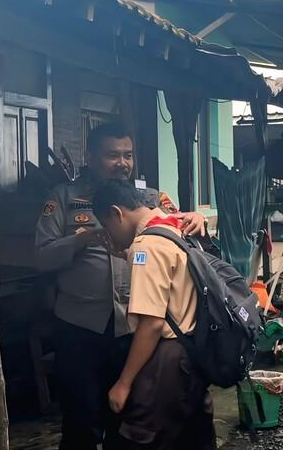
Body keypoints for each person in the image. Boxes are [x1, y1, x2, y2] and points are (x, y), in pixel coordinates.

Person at [34, 122, 206, 450]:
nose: (122, 163)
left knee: (128, 417)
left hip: (133, 328)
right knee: (80, 419)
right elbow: (41, 257)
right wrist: (82, 239)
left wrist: (198, 219)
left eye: (128, 155)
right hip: (79, 327)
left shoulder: (149, 198)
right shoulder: (63, 198)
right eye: (112, 155)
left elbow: (180, 226)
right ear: (90, 157)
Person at [92, 179, 216, 450]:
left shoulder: (145, 246)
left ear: (116, 213)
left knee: (140, 437)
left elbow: (151, 324)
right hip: (194, 351)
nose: (109, 233)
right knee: (193, 437)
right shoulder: (174, 226)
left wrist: (124, 383)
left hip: (167, 360)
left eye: (106, 225)